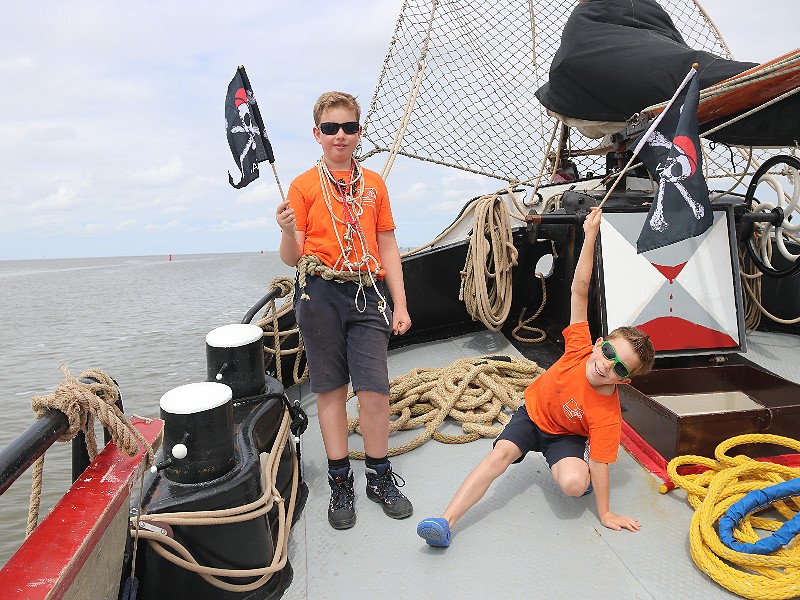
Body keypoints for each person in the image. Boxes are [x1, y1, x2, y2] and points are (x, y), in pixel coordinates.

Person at [416, 207, 655, 547]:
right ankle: (445, 521)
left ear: (624, 380)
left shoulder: (607, 416)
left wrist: (605, 513)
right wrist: (590, 237)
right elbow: (580, 291)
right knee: (498, 456)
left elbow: (603, 464)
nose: (607, 365)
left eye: (620, 368)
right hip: (532, 415)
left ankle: (575, 465)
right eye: (609, 354)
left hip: (565, 436)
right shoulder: (578, 349)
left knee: (574, 486)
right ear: (599, 345)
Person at [276, 91, 413, 530]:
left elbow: (387, 243)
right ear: (317, 134)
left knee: (375, 391)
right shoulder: (301, 186)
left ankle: (378, 475)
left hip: (367, 292)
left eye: (349, 127)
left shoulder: (374, 184)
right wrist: (283, 230)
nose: (340, 135)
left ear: (359, 132)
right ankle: (340, 481)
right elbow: (292, 257)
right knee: (331, 391)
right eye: (331, 128)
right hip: (319, 294)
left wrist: (401, 303)